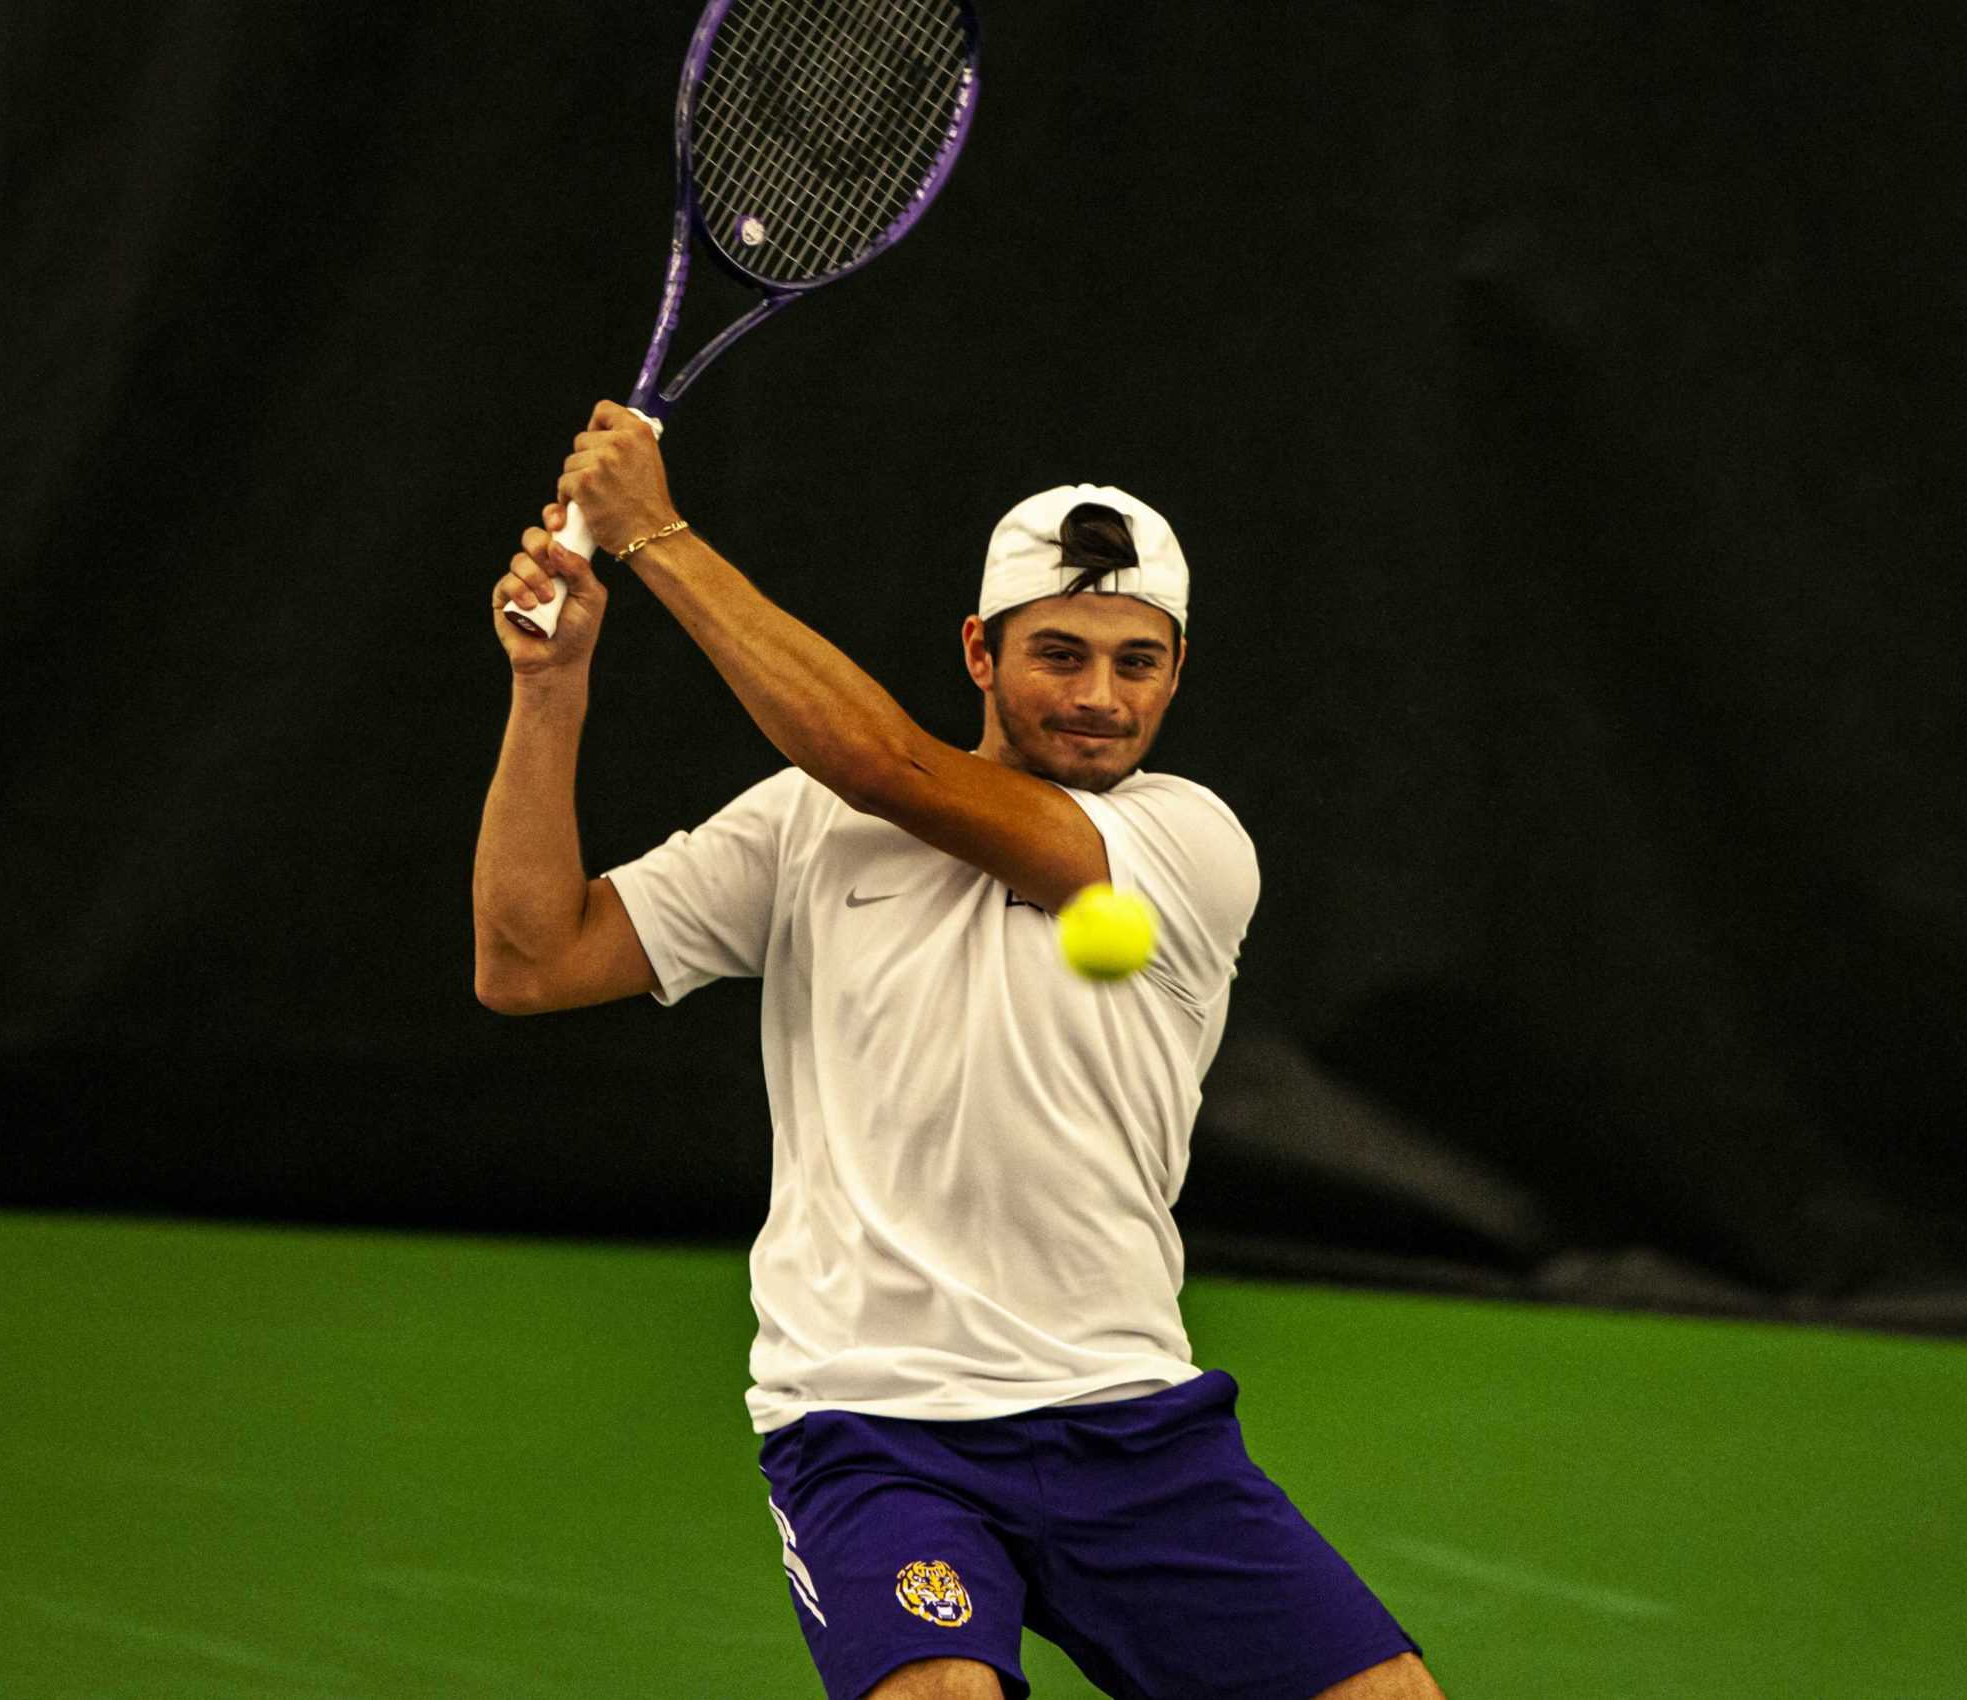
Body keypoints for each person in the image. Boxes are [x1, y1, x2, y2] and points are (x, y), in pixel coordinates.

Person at [472, 403, 1447, 1700]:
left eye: (1137, 662)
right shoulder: (805, 828)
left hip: (1128, 1421)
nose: (1101, 698)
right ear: (981, 652)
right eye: (1060, 654)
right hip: (875, 1427)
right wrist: (551, 690)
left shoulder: (1189, 843)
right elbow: (531, 960)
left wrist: (654, 533)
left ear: (1176, 672)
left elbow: (890, 768)